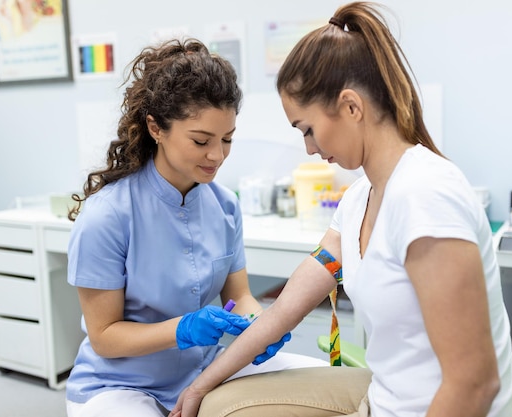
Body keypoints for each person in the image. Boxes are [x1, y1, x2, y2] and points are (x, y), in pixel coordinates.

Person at [170, 2, 512, 417]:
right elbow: (283, 312)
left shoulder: (426, 197)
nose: (310, 148)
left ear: (352, 107)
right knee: (214, 404)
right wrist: (198, 387)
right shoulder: (359, 201)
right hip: (381, 402)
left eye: (309, 129)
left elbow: (475, 384)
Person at [64, 38, 326, 417]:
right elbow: (104, 337)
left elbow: (241, 295)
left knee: (320, 384)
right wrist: (182, 329)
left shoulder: (225, 206)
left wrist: (258, 325)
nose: (217, 155)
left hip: (204, 372)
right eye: (201, 140)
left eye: (227, 139)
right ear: (156, 128)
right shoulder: (107, 215)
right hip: (118, 387)